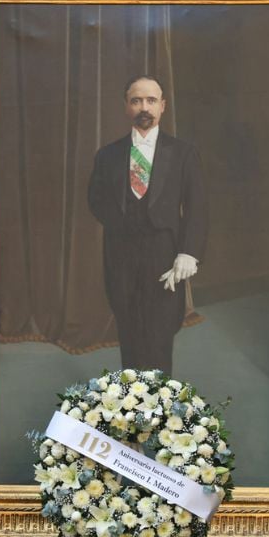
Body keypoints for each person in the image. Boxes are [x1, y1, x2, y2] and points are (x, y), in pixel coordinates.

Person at [87, 75, 207, 374]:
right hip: (121, 256)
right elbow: (96, 199)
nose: (144, 107)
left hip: (165, 257)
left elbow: (197, 207)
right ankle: (131, 403)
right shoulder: (108, 155)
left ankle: (161, 409)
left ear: (163, 106)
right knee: (129, 331)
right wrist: (125, 225)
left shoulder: (183, 153)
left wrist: (188, 252)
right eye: (136, 100)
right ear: (126, 107)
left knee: (160, 333)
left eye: (151, 100)